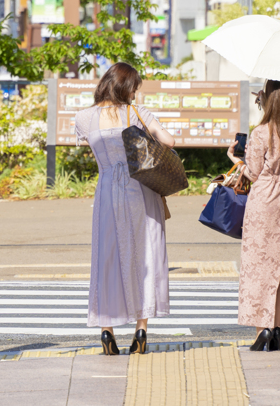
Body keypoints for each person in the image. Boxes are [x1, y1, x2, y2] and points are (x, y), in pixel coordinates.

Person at [74, 62, 178, 356]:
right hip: (142, 190)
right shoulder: (138, 113)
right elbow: (169, 142)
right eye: (134, 86)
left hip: (108, 191)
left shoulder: (84, 117)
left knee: (107, 256)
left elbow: (91, 148)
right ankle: (141, 328)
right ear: (125, 86)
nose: (135, 92)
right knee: (145, 256)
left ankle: (107, 333)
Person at [228, 79, 280, 352]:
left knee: (259, 263)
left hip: (264, 197)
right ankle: (276, 327)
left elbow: (253, 172)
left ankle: (261, 328)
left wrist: (235, 160)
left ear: (271, 98)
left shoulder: (261, 132)